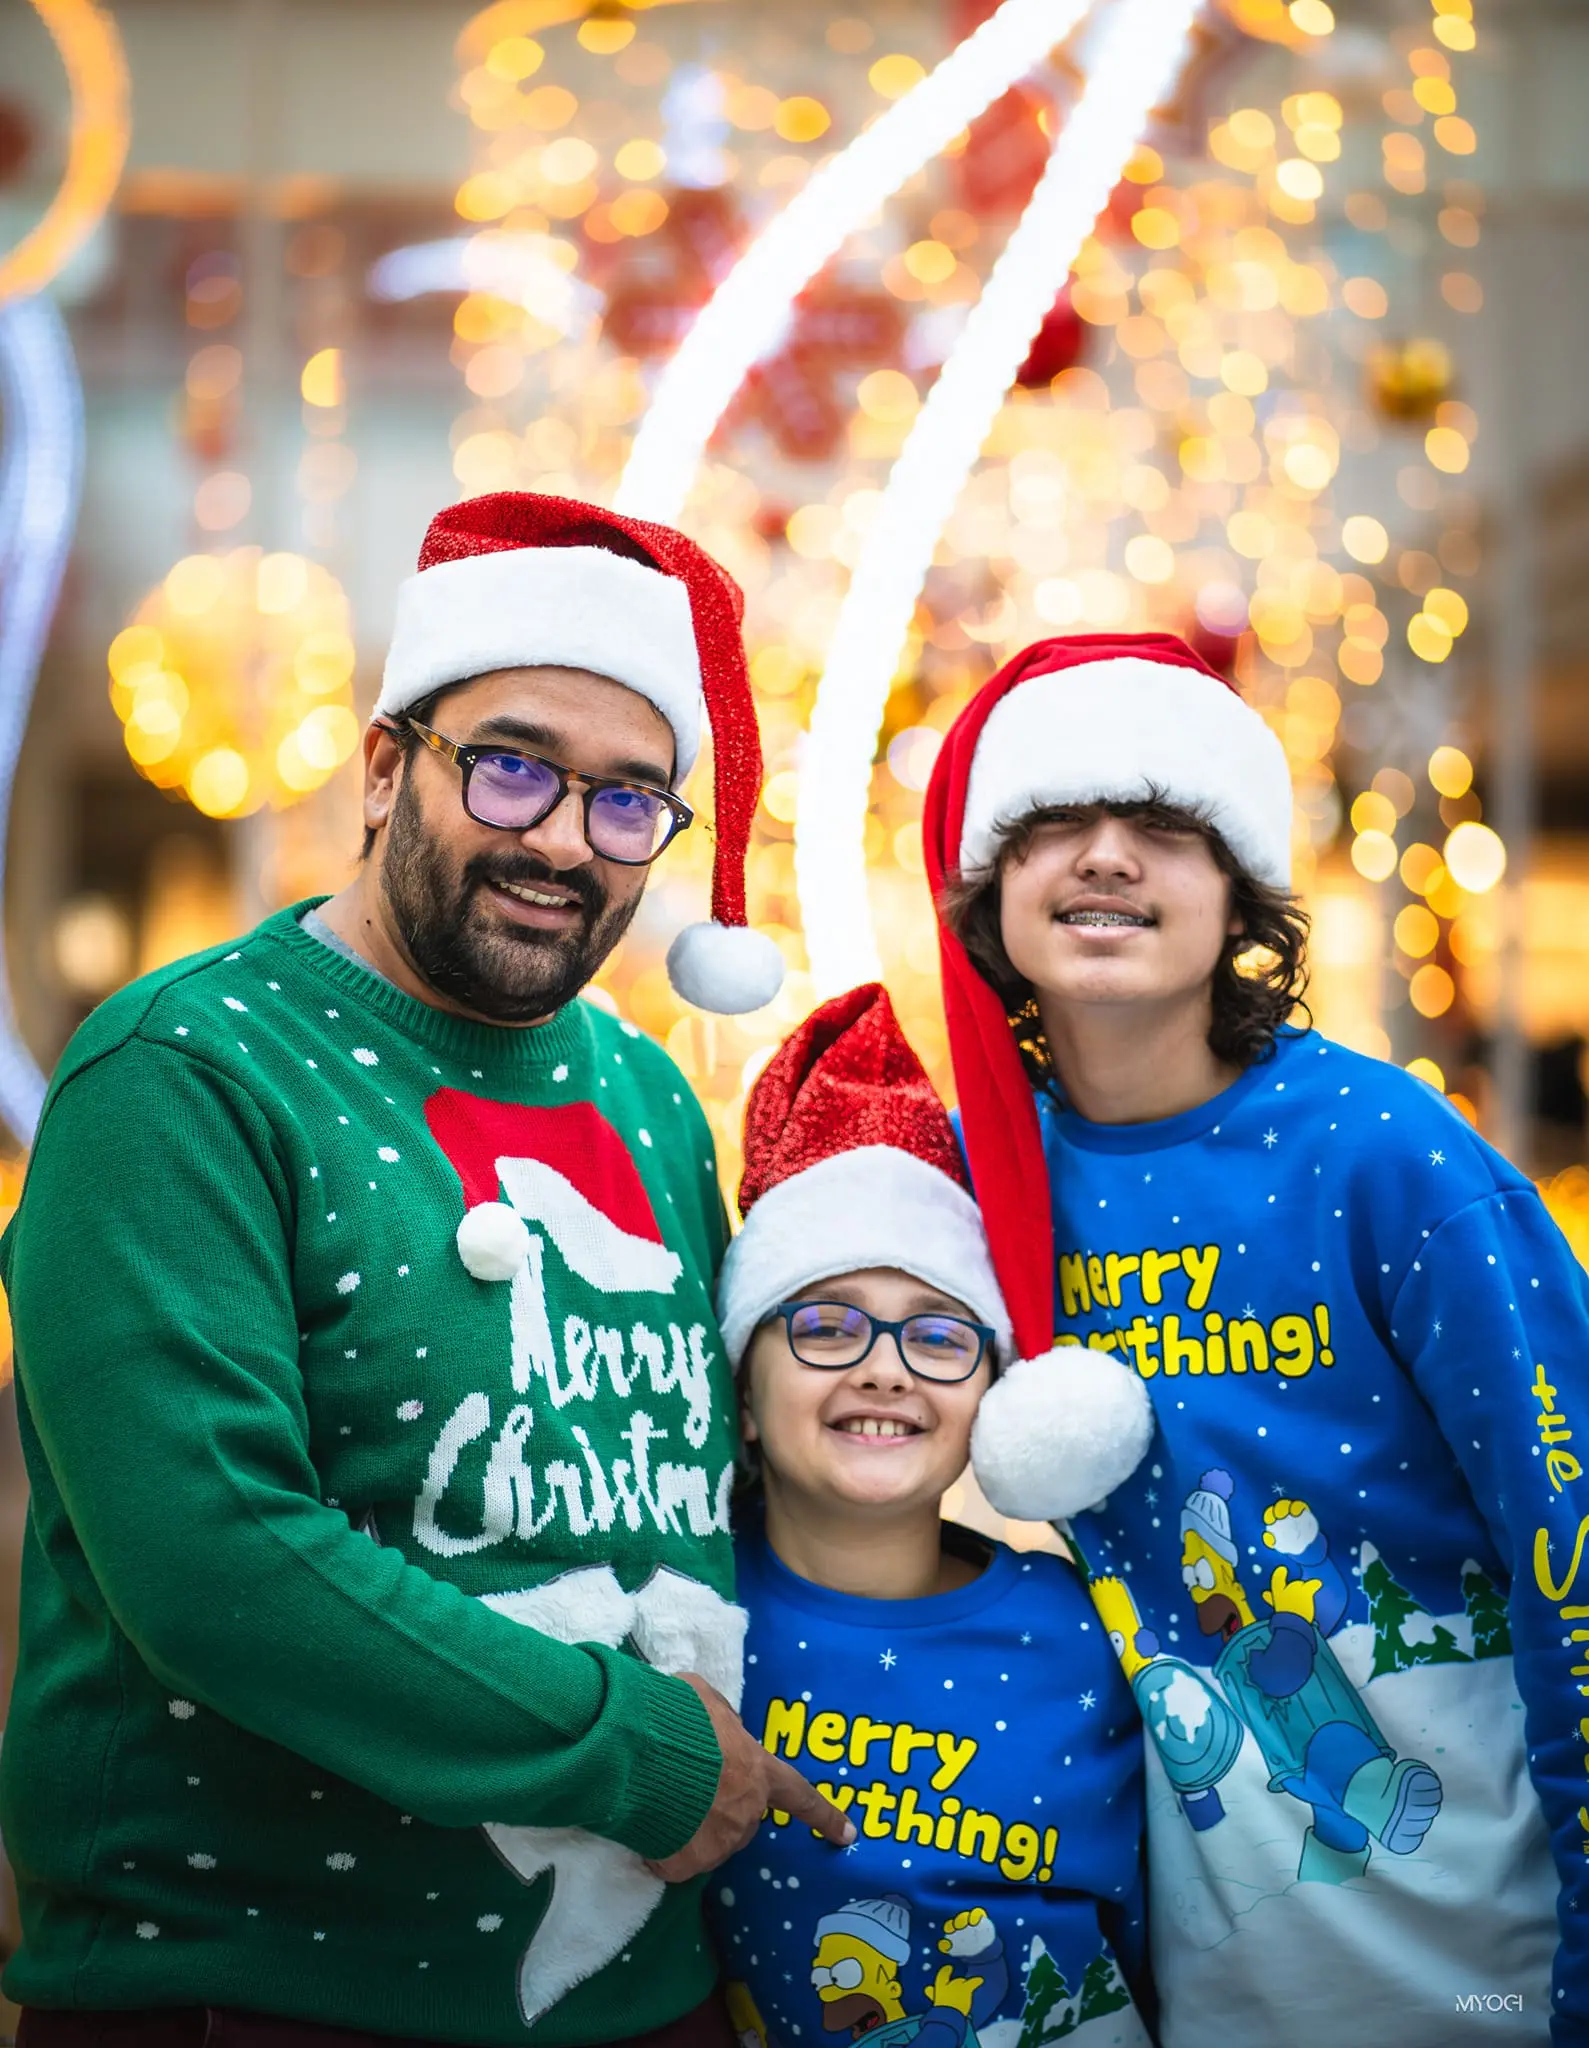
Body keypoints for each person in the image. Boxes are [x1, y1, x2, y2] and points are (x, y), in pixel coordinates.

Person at [0, 492, 851, 2048]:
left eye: (626, 802)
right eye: (513, 767)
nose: (560, 841)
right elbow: (216, 1562)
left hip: (644, 1993)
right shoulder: (184, 1073)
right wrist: (636, 1756)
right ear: (387, 767)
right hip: (260, 1995)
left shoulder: (650, 1093)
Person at [918, 630, 1589, 2046]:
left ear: (1237, 902)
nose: (1104, 857)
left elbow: (1569, 1536)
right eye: (1052, 826)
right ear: (992, 895)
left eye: (1162, 826)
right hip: (1207, 1960)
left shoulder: (1383, 1154)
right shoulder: (968, 1184)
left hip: (1487, 1940)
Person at [707, 982, 1152, 2048]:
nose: (883, 1369)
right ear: (746, 1398)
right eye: (824, 1324)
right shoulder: (689, 1615)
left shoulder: (1087, 1630)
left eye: (939, 1335)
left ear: (989, 1393)